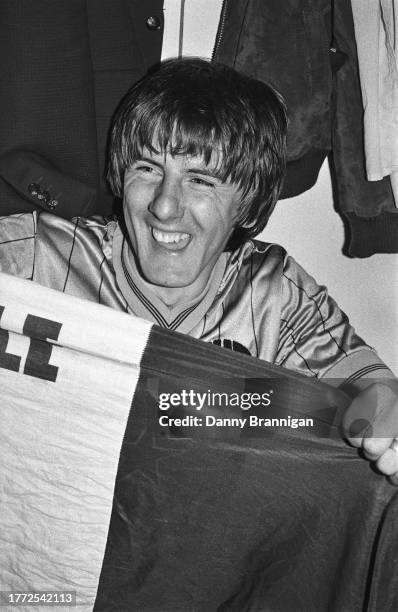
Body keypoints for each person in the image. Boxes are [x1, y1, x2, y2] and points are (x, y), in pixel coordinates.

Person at [1, 57, 397, 479]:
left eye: (201, 180)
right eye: (148, 169)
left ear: (247, 203)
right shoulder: (38, 254)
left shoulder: (272, 291)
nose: (164, 206)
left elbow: (370, 387)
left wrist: (385, 420)